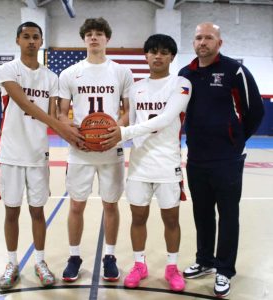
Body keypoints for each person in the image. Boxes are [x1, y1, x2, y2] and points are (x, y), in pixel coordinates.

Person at [178, 22, 264, 297]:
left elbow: (255, 110)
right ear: (194, 43)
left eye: (209, 38)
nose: (203, 42)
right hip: (196, 157)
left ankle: (225, 270)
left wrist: (236, 140)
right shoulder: (185, 73)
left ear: (219, 42)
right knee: (201, 213)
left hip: (227, 158)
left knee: (228, 215)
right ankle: (204, 261)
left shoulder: (233, 70)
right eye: (198, 38)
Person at [0, 21, 83, 290]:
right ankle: (11, 263)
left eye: (36, 37)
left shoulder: (51, 77)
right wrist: (59, 127)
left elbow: (56, 113)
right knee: (11, 211)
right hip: (11, 153)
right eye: (26, 36)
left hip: (37, 154)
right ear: (17, 40)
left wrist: (74, 128)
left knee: (37, 211)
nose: (31, 41)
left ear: (41, 41)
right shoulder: (7, 69)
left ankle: (40, 261)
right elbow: (24, 103)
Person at [102, 34, 192, 291]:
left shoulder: (181, 83)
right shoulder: (135, 88)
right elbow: (129, 122)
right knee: (138, 217)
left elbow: (165, 119)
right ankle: (139, 264)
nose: (158, 56)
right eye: (153, 51)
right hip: (140, 164)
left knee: (171, 219)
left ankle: (172, 267)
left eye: (164, 52)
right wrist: (107, 138)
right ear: (146, 55)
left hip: (167, 162)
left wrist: (124, 133)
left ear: (172, 57)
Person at [57, 17, 133, 282]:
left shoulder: (121, 72)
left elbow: (128, 111)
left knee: (110, 205)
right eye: (89, 34)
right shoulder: (70, 73)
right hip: (80, 150)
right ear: (83, 39)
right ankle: (74, 256)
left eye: (99, 33)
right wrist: (70, 131)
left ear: (107, 39)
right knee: (76, 205)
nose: (93, 37)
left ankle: (109, 256)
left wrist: (118, 131)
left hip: (111, 150)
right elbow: (61, 112)